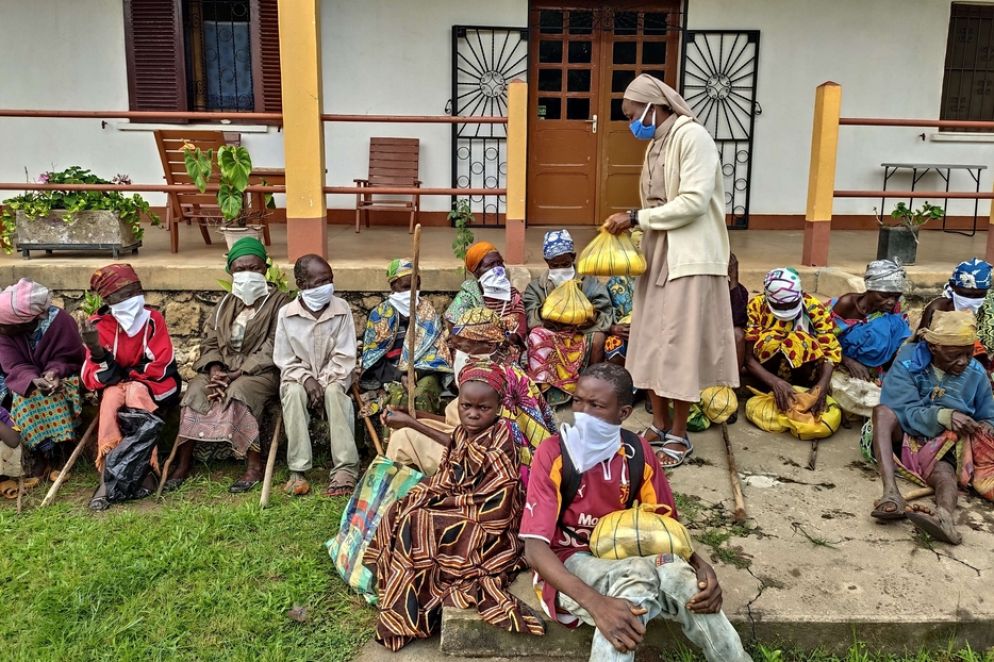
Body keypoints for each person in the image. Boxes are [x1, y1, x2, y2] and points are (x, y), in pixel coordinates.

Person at [520, 363, 751, 662]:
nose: (583, 413)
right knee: (639, 574)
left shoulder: (636, 452)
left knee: (684, 580)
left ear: (624, 413)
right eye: (578, 401)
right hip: (567, 565)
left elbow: (665, 527)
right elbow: (535, 548)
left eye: (597, 405)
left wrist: (699, 564)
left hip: (626, 558)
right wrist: (597, 605)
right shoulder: (554, 453)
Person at [602, 74, 739, 468]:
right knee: (651, 340)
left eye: (633, 115)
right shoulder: (657, 143)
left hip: (689, 256)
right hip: (659, 250)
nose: (632, 124)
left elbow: (694, 202)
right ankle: (659, 424)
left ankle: (679, 434)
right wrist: (640, 223)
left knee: (679, 345)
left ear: (653, 106)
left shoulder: (692, 137)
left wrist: (635, 217)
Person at [365, 359, 545, 651]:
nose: (473, 414)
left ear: (498, 406)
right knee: (403, 507)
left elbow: (497, 502)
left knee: (419, 521)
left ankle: (411, 609)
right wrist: (435, 492)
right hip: (461, 504)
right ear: (458, 403)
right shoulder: (464, 431)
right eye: (466, 406)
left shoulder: (503, 439)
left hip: (488, 525)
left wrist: (445, 500)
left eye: (482, 408)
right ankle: (395, 589)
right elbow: (454, 456)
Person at [169, 237, 290, 493]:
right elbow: (210, 340)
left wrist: (240, 371)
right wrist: (215, 369)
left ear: (265, 269)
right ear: (231, 272)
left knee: (239, 393)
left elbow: (275, 344)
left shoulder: (280, 302)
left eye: (254, 268)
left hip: (261, 373)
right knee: (194, 391)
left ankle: (254, 464)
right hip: (223, 369)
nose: (247, 274)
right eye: (240, 269)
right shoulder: (225, 304)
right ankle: (183, 462)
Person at [865, 310, 994, 545]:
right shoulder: (908, 360)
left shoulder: (976, 373)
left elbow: (988, 416)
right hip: (900, 434)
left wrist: (980, 430)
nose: (964, 361)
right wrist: (944, 415)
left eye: (968, 353)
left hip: (941, 445)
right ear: (933, 347)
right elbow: (900, 409)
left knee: (945, 474)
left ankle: (944, 517)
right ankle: (891, 493)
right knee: (882, 413)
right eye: (955, 355)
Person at [383, 307, 555, 481]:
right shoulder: (488, 370)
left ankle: (388, 497)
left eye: (465, 340)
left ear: (488, 344)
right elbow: (460, 423)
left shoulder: (495, 381)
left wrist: (411, 423)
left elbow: (475, 444)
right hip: (465, 441)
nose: (453, 342)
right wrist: (411, 414)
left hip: (486, 465)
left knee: (403, 437)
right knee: (409, 427)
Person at [81, 264, 182, 510]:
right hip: (115, 384)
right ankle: (109, 474)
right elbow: (89, 376)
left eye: (134, 292)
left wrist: (130, 377)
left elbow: (161, 362)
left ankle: (146, 467)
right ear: (108, 299)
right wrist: (96, 350)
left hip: (154, 384)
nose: (130, 299)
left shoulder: (152, 320)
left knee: (135, 392)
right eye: (122, 295)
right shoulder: (97, 325)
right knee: (111, 398)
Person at [274, 255, 358, 497]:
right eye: (320, 282)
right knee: (292, 392)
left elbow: (344, 355)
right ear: (301, 283)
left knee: (334, 392)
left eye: (330, 280)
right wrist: (307, 380)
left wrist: (322, 382)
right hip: (299, 377)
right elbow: (285, 359)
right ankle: (298, 470)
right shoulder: (286, 314)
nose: (327, 286)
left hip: (336, 374)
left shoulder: (342, 309)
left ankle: (346, 468)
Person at [0, 279, 84, 476]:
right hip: (17, 378)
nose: (0, 329)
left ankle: (60, 453)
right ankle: (37, 453)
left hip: (64, 377)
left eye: (4, 326)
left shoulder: (61, 323)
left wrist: (53, 373)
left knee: (50, 395)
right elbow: (12, 364)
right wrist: (33, 379)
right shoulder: (4, 334)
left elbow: (70, 357)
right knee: (26, 397)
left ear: (26, 322)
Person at [524, 229, 613, 401]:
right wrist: (545, 318)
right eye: (554, 266)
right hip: (551, 332)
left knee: (598, 338)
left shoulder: (589, 282)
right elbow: (531, 315)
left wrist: (590, 319)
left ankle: (590, 387)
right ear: (546, 261)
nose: (560, 269)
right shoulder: (536, 287)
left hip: (581, 332)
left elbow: (605, 311)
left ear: (573, 257)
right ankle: (544, 390)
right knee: (536, 335)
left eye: (564, 264)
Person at [744, 267, 840, 416]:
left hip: (805, 373)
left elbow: (830, 352)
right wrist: (775, 382)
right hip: (768, 371)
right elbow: (748, 358)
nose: (786, 309)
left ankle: (799, 389)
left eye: (790, 304)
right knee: (770, 340)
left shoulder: (814, 307)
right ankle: (769, 388)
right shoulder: (757, 306)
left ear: (800, 294)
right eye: (780, 306)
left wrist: (821, 387)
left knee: (798, 341)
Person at [360, 258, 450, 416]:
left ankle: (424, 437)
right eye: (406, 287)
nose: (412, 292)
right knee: (398, 397)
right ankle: (397, 440)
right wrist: (398, 375)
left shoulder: (427, 311)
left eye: (416, 286)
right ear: (393, 286)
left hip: (424, 372)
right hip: (391, 374)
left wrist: (414, 374)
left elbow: (437, 354)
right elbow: (373, 359)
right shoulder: (379, 315)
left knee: (422, 394)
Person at [829, 259, 911, 417]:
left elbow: (897, 345)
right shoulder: (847, 304)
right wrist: (847, 361)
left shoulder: (895, 308)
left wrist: (889, 376)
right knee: (849, 393)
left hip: (876, 368)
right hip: (838, 361)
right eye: (885, 296)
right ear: (870, 288)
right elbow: (823, 340)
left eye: (896, 296)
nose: (891, 301)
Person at [445, 241, 528, 363]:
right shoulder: (468, 295)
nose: (497, 269)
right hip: (473, 350)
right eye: (490, 265)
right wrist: (487, 334)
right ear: (476, 271)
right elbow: (454, 326)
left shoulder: (513, 294)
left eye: (500, 263)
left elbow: (519, 324)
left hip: (506, 348)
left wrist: (513, 337)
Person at [921, 259, 994, 373]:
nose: (971, 301)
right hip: (946, 367)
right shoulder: (939, 308)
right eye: (965, 294)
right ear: (953, 286)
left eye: (979, 295)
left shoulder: (990, 309)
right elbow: (922, 343)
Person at [603, 276, 634, 366]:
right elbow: (602, 313)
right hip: (624, 333)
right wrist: (612, 328)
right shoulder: (613, 282)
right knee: (613, 346)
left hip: (652, 331)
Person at [728, 253, 750, 372]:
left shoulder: (739, 289)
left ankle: (732, 386)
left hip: (720, 337)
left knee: (738, 334)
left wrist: (734, 280)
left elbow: (738, 320)